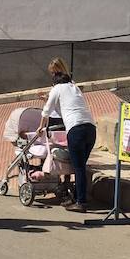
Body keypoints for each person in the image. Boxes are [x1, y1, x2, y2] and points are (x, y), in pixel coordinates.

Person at [39, 58, 96, 214]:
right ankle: (77, 197)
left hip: (76, 129)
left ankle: (81, 202)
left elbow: (46, 111)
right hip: (91, 128)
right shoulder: (74, 87)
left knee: (78, 168)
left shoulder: (56, 89)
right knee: (80, 166)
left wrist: (40, 127)